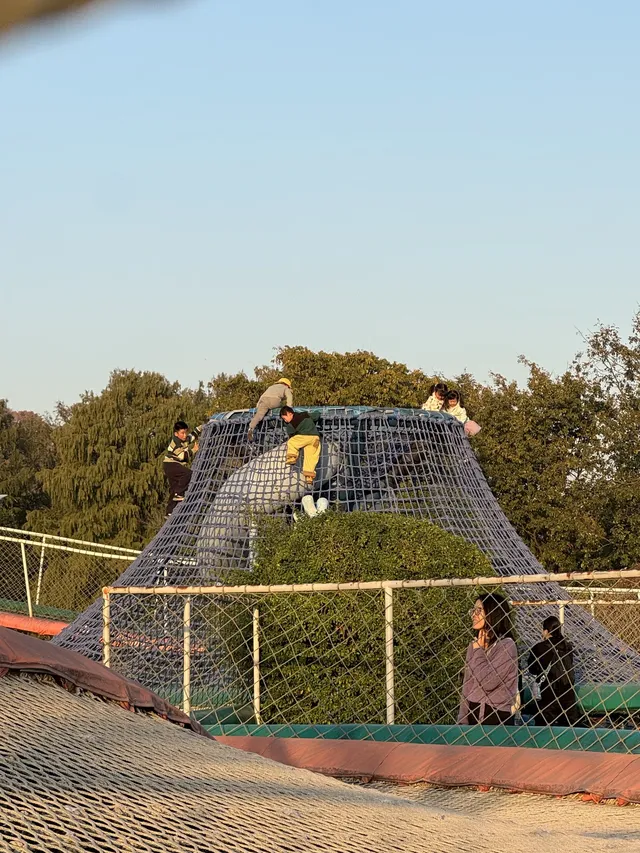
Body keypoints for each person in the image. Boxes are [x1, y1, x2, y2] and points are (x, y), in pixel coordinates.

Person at [458, 593, 519, 725]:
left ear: (493, 613)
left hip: (496, 716)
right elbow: (467, 685)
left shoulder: (507, 646)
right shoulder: (474, 645)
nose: (474, 614)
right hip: (473, 712)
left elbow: (488, 682)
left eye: (479, 610)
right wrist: (462, 718)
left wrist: (479, 651)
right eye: (473, 610)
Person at [527, 616, 580, 726]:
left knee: (543, 730)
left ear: (546, 631)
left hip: (548, 695)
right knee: (569, 730)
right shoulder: (567, 646)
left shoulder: (540, 647)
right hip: (567, 694)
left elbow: (532, 669)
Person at [163, 420, 202, 517]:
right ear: (176, 434)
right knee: (188, 473)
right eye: (182, 433)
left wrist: (201, 428)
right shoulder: (176, 443)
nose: (184, 435)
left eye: (185, 432)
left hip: (170, 466)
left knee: (174, 488)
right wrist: (194, 450)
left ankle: (169, 511)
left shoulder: (184, 439)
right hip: (171, 464)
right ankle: (179, 494)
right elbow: (182, 456)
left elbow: (192, 436)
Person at [280, 406, 321, 485]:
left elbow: (291, 434)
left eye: (285, 418)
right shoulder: (305, 414)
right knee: (311, 457)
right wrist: (318, 413)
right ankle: (309, 476)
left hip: (304, 437)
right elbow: (315, 415)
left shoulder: (291, 424)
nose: (285, 421)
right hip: (315, 438)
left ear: (290, 414)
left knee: (292, 442)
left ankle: (292, 457)